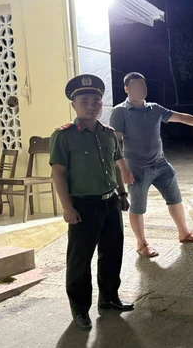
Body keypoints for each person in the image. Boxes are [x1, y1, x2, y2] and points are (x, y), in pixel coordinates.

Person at [109, 72, 193, 258]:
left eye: (142, 85)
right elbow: (115, 144)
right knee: (138, 207)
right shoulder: (120, 112)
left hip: (161, 164)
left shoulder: (154, 109)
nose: (141, 89)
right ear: (126, 89)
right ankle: (141, 244)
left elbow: (181, 118)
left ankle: (184, 233)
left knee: (175, 199)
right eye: (135, 86)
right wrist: (124, 169)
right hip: (137, 169)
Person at [50, 74, 134, 331]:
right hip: (83, 206)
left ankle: (109, 297)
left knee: (112, 253)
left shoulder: (108, 134)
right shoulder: (63, 136)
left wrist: (122, 194)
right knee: (80, 259)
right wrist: (67, 207)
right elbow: (58, 174)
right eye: (84, 101)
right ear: (74, 105)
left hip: (110, 203)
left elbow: (116, 166)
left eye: (96, 101)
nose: (91, 106)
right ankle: (80, 309)